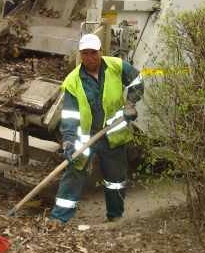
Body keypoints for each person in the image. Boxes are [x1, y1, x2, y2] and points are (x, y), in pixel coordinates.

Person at [49, 33, 144, 224]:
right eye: (85, 53)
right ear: (80, 55)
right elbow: (70, 116)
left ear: (101, 52)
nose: (90, 57)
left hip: (113, 135)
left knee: (115, 180)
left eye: (93, 52)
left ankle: (115, 216)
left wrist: (130, 103)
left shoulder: (116, 66)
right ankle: (58, 219)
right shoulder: (73, 81)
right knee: (73, 175)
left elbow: (137, 80)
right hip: (86, 138)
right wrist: (68, 141)